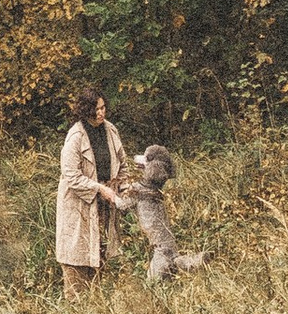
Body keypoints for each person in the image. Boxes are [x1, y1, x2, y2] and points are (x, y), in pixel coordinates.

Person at [55, 90, 127, 296]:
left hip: (106, 204)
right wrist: (99, 188)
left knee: (101, 255)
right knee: (76, 259)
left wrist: (123, 188)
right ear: (85, 110)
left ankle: (97, 309)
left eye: (103, 108)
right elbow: (71, 175)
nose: (101, 113)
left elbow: (122, 164)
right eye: (96, 109)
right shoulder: (76, 136)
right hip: (79, 206)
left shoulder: (111, 130)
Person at [129, 140, 204, 284]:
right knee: (172, 264)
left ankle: (189, 262)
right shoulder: (155, 189)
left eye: (145, 158)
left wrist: (107, 191)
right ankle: (191, 262)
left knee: (150, 285)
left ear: (152, 166)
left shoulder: (138, 189)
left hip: (159, 248)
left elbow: (120, 204)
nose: (138, 158)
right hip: (168, 241)